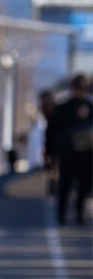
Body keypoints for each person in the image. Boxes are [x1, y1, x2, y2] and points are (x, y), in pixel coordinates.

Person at [47, 73, 92, 225]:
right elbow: (52, 131)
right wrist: (51, 154)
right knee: (65, 184)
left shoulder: (89, 107)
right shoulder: (63, 108)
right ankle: (62, 213)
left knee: (84, 184)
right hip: (69, 154)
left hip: (86, 154)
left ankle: (79, 212)